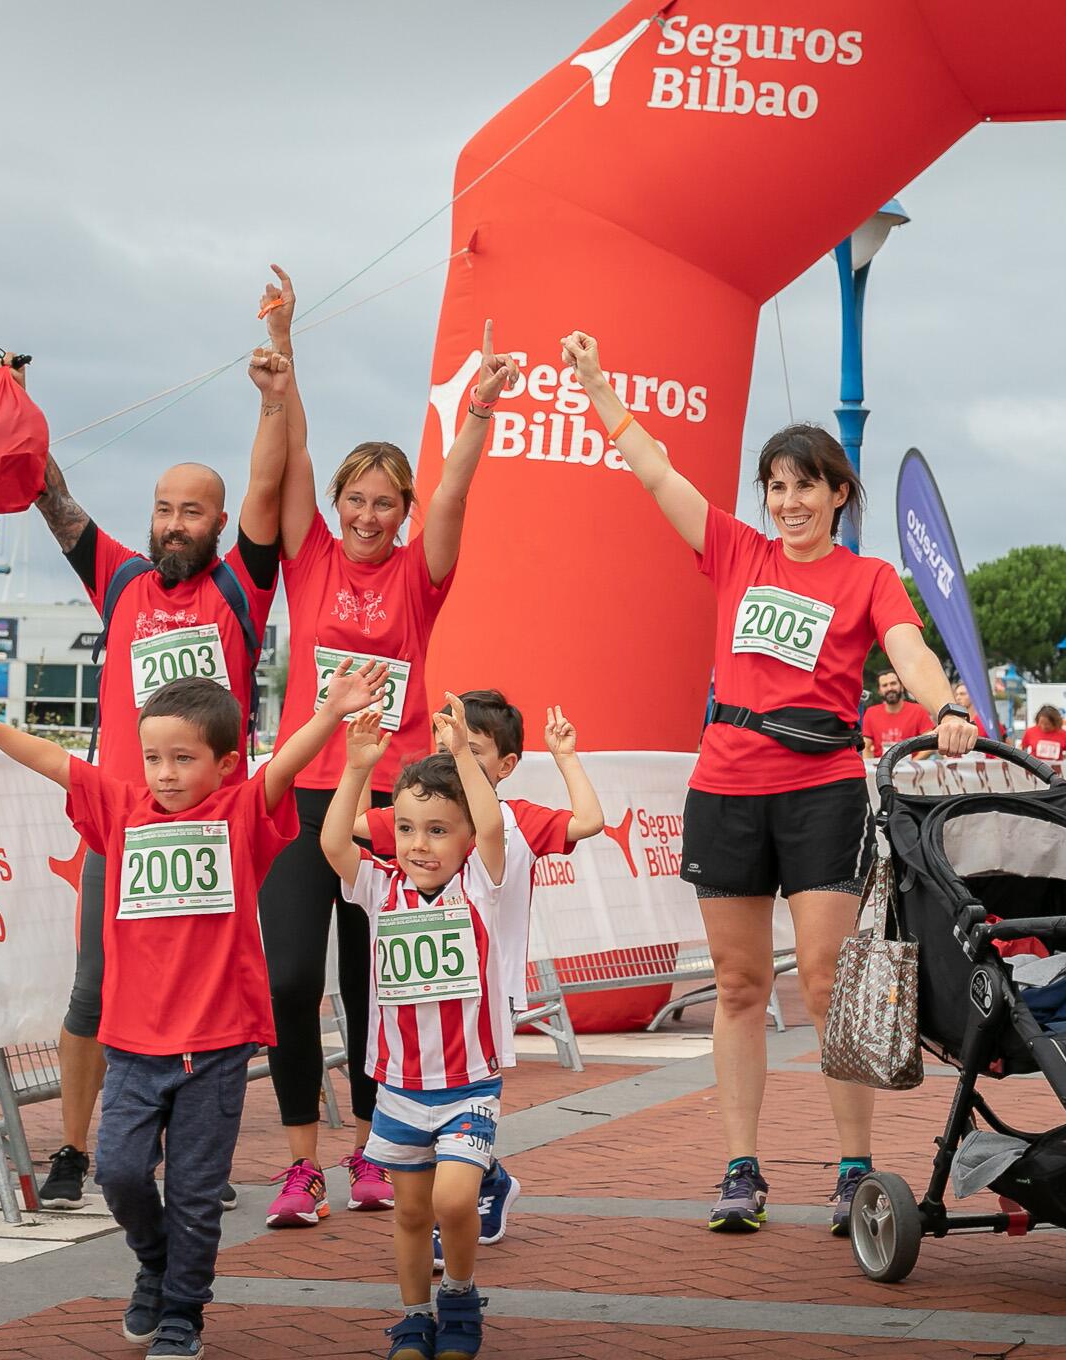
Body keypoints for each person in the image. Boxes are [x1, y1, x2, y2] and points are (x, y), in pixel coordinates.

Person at [562, 329, 978, 1236]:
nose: (789, 502)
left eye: (806, 486)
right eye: (776, 487)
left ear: (839, 494)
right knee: (740, 984)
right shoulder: (736, 551)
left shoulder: (867, 577)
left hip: (822, 786)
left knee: (826, 982)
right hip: (725, 786)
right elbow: (652, 469)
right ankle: (742, 1168)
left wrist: (948, 705)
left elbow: (910, 654)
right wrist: (598, 384)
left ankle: (854, 1170)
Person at [0, 654, 383, 1358]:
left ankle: (183, 1312)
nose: (166, 773)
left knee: (197, 1193)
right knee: (118, 1173)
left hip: (216, 1047)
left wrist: (330, 711)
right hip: (133, 1049)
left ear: (224, 763)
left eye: (184, 758)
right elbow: (54, 760)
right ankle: (154, 1262)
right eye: (153, 757)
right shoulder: (119, 809)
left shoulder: (240, 813)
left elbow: (283, 766)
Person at [253, 271, 519, 1228]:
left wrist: (479, 411)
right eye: (356, 501)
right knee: (288, 977)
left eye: (385, 504)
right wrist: (288, 341)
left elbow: (455, 487)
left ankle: (375, 1146)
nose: (369, 517)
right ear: (337, 506)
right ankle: (298, 1165)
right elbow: (299, 447)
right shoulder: (310, 557)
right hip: (300, 799)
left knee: (377, 984)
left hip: (386, 813)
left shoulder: (419, 576)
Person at [24, 313, 290, 1212]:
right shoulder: (123, 579)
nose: (176, 524)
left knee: (204, 1001)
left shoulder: (239, 585)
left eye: (194, 511)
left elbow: (266, 481)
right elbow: (50, 495)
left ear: (219, 523)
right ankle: (72, 1148)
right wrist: (16, 412)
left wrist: (272, 391)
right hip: (126, 823)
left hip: (215, 830)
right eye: (165, 509)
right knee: (95, 988)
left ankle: (195, 1156)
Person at [350, 690, 604, 1266]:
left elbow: (589, 822)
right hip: (426, 992)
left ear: (506, 765)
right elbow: (359, 827)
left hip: (495, 977)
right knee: (443, 1093)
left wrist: (565, 756)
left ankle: (474, 1190)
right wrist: (358, 766)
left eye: (469, 746)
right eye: (443, 740)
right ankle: (479, 1185)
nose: (451, 751)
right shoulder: (425, 823)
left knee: (468, 1085)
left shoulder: (515, 820)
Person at [323, 698, 514, 1360]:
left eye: (437, 830)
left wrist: (463, 753)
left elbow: (492, 829)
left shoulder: (481, 886)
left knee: (456, 1201)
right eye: (406, 829)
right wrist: (354, 768)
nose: (417, 844)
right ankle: (413, 1316)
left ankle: (459, 1295)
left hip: (468, 1086)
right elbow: (331, 843)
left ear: (464, 840)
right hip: (399, 1088)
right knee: (409, 1214)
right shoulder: (379, 887)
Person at [860, 668, 932, 758]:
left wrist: (914, 764)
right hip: (882, 768)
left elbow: (930, 742)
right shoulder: (871, 713)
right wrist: (871, 768)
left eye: (893, 683)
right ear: (879, 691)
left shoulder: (918, 710)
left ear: (902, 687)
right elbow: (866, 746)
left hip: (912, 768)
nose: (889, 688)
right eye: (884, 685)